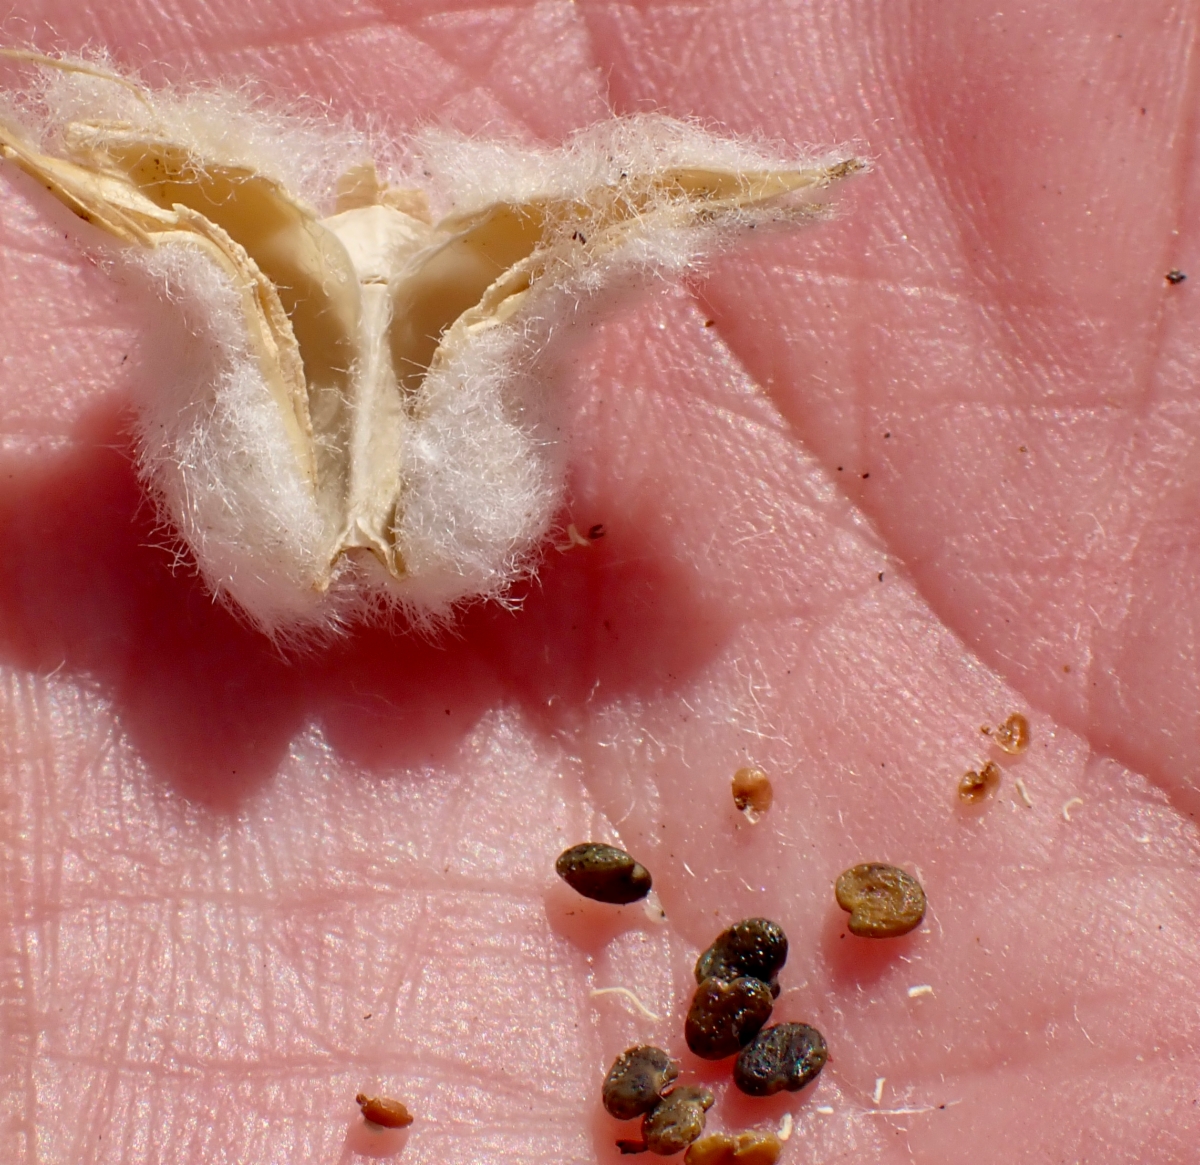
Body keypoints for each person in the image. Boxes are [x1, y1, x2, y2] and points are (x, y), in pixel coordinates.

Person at [0, 5, 1195, 1162]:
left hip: (333, 535)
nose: (381, 208)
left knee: (338, 505)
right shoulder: (402, 506)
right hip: (342, 530)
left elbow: (656, 209)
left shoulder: (376, 513)